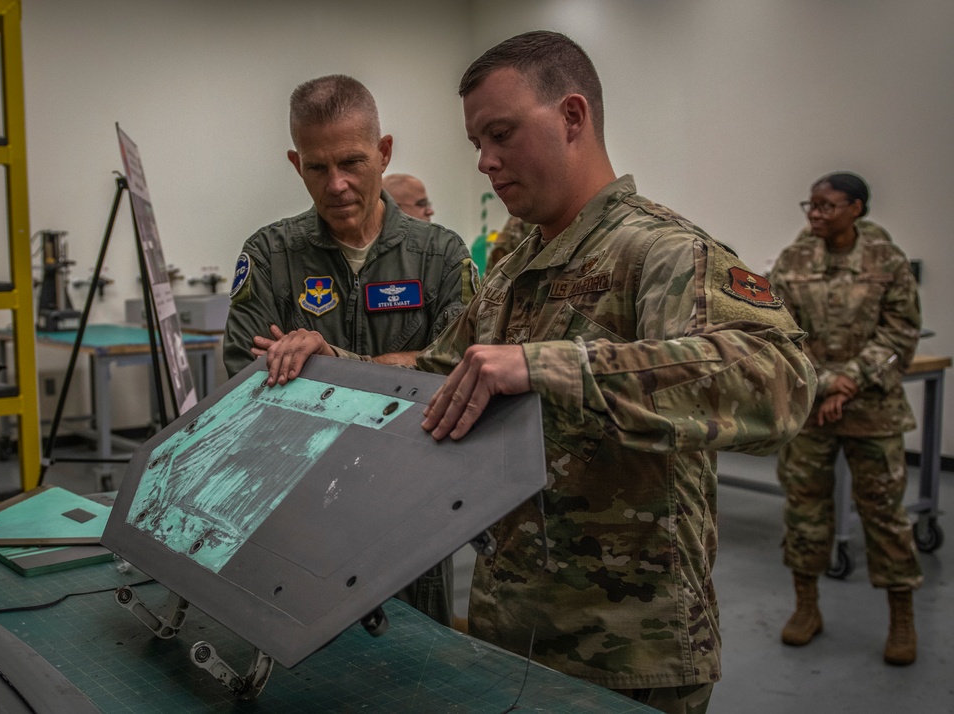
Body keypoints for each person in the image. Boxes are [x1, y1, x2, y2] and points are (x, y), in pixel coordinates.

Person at [259, 32, 815, 713]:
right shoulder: (519, 260)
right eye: (477, 145)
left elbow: (782, 383)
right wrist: (333, 364)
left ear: (573, 117)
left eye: (501, 134)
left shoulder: (661, 252)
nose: (487, 162)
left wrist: (550, 366)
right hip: (512, 627)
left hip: (627, 654)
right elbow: (445, 372)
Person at [223, 74, 479, 628]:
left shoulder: (439, 255)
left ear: (383, 153)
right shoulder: (270, 255)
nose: (336, 184)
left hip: (413, 515)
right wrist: (405, 368)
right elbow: (245, 387)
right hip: (304, 519)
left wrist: (321, 363)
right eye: (317, 167)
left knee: (419, 671)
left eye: (352, 162)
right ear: (297, 164)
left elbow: (458, 373)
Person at [768, 172, 922, 666]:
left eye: (826, 206)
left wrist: (849, 380)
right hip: (811, 408)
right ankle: (806, 608)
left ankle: (902, 619)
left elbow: (901, 332)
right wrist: (824, 384)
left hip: (872, 411)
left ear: (856, 208)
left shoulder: (887, 262)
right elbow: (775, 332)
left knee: (884, 516)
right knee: (804, 511)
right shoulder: (792, 262)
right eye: (809, 205)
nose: (814, 214)